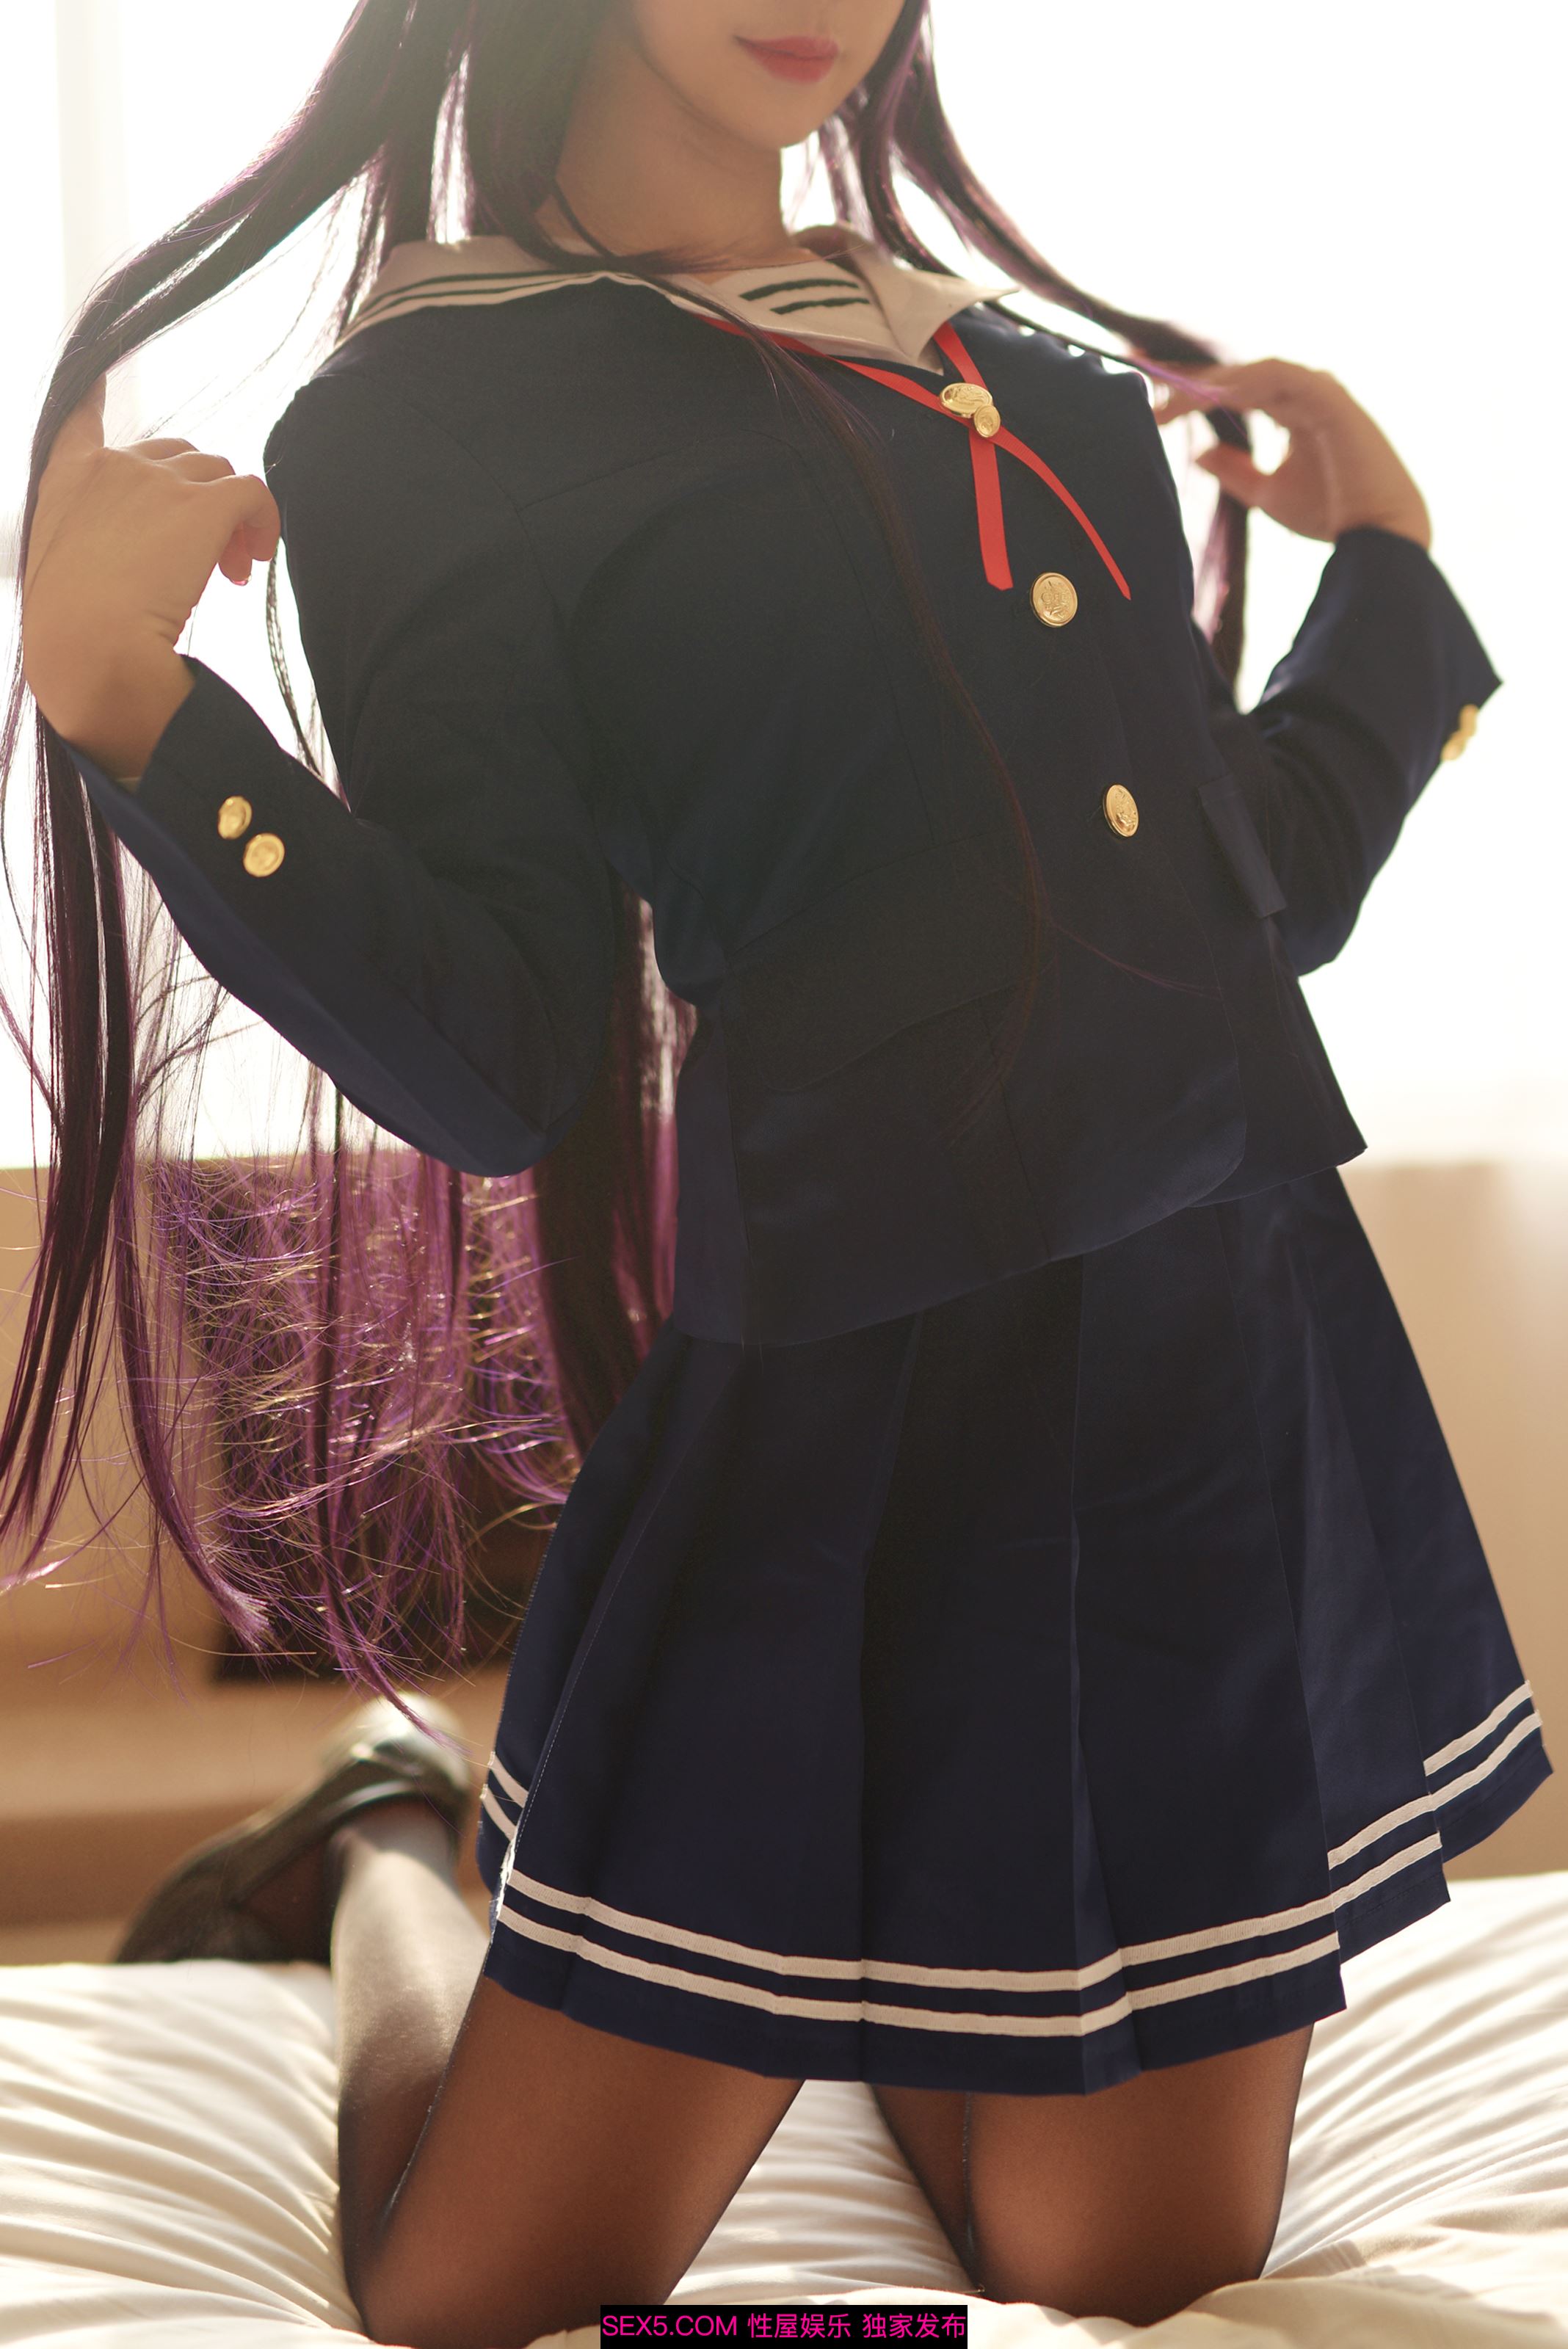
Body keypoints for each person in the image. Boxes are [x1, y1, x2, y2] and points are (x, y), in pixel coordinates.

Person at [10, 1, 1550, 2342]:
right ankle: (386, 1838)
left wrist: (1395, 592)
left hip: (1204, 1388)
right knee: (473, 2305)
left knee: (1114, 2276)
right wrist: (144, 717)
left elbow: (1233, 900)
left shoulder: (1036, 384)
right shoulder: (433, 413)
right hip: (841, 1419)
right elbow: (503, 1060)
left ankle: (870, 1964)